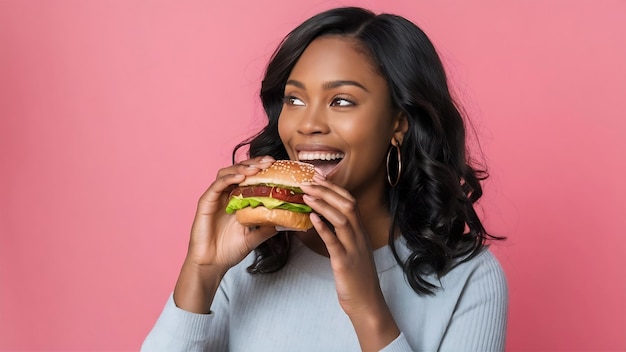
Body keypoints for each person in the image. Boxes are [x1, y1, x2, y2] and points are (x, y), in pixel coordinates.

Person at [141, 6, 508, 352]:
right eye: (295, 100)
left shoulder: (470, 279)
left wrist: (368, 308)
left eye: (342, 101)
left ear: (399, 123)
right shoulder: (246, 255)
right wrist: (201, 273)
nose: (308, 124)